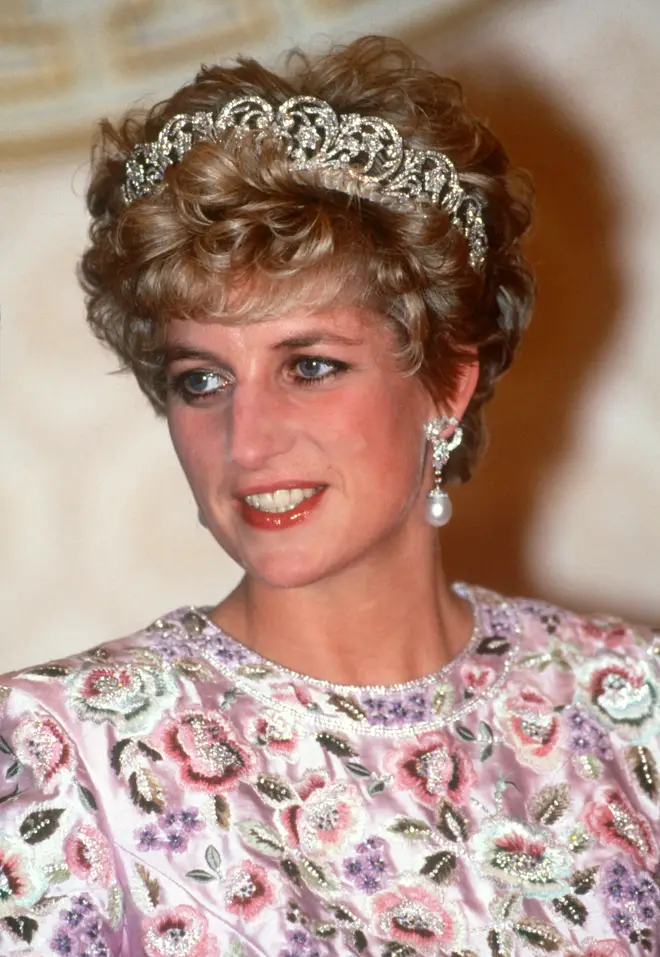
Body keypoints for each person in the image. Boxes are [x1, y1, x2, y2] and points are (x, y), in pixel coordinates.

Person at [0, 34, 656, 957]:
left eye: (309, 366)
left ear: (446, 385)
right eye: (202, 379)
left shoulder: (631, 708)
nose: (248, 439)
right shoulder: (66, 753)